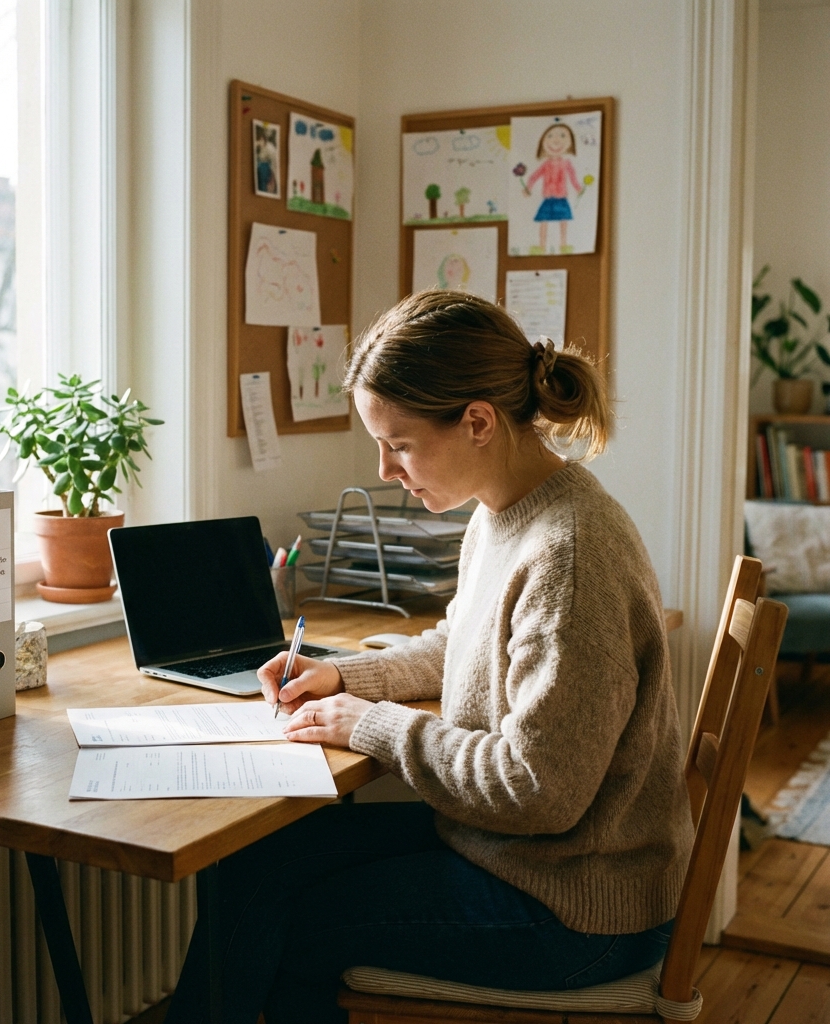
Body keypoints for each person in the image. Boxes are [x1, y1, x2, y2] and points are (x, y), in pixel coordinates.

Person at [164, 291, 694, 1024]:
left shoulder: (569, 552)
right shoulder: (503, 510)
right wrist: (347, 675)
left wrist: (372, 724)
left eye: (400, 443)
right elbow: (460, 644)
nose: (385, 468)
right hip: (515, 857)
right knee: (258, 864)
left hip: (574, 909)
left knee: (296, 923)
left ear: (477, 421)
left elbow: (538, 790)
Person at [524, 121, 583, 253]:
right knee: (543, 221)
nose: (556, 141)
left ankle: (563, 244)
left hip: (561, 197)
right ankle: (542, 245)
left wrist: (578, 188)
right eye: (550, 136)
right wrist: (528, 188)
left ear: (570, 143)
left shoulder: (567, 163)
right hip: (548, 197)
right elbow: (534, 176)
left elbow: (573, 177)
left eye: (562, 136)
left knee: (563, 221)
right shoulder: (546, 164)